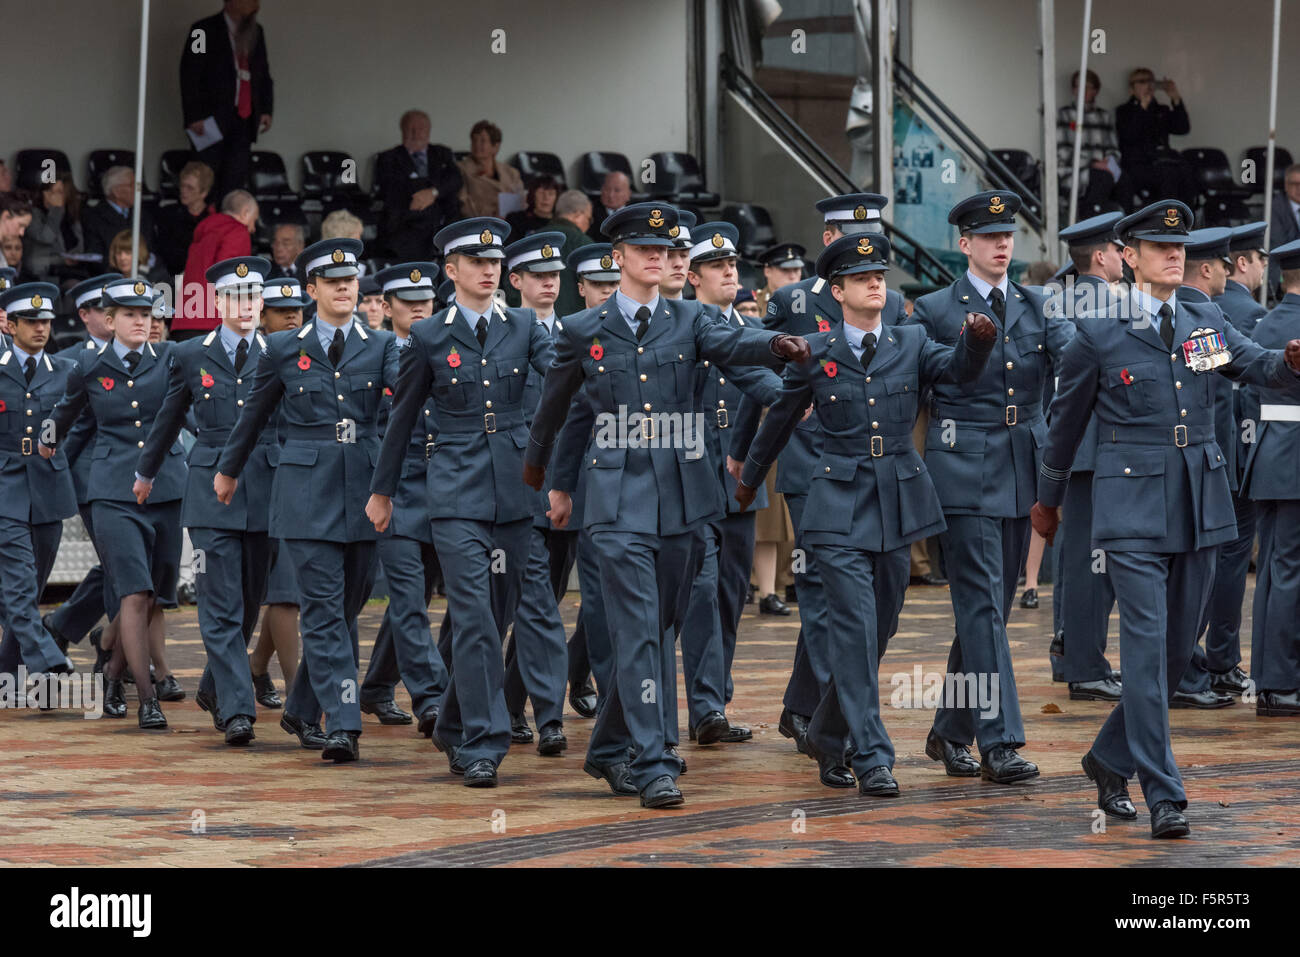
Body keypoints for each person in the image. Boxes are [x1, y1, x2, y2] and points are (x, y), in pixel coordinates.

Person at [521, 202, 812, 808]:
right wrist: (549, 479)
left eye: (663, 249)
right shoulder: (584, 329)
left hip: (684, 500)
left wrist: (781, 346)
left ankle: (605, 750)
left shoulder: (690, 319)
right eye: (643, 249)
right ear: (619, 258)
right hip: (617, 501)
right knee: (636, 629)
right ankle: (653, 761)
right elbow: (562, 414)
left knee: (656, 628)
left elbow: (737, 344)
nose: (656, 257)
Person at [1033, 199, 1300, 838]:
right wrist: (1048, 499)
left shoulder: (1200, 318)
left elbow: (1252, 367)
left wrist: (1290, 362)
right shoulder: (1099, 330)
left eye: (1179, 248)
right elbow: (1064, 424)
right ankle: (1164, 794)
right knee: (1149, 651)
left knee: (1178, 654)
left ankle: (1107, 758)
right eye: (1159, 247)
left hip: (1200, 502)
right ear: (1128, 258)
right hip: (1131, 508)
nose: (1175, 256)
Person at [736, 234, 995, 795]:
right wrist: (749, 478)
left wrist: (978, 343)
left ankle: (828, 737)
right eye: (861, 278)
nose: (876, 282)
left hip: (898, 500)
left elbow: (957, 374)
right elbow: (780, 417)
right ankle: (872, 753)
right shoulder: (815, 351)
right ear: (837, 291)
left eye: (880, 275)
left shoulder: (912, 340)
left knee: (880, 627)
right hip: (836, 502)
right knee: (851, 628)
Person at [366, 217, 553, 788]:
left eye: (495, 262)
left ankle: (451, 722)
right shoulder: (428, 337)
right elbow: (401, 420)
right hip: (454, 492)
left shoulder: (525, 325)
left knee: (495, 616)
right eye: (476, 262)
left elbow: (560, 391)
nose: (489, 270)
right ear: (451, 271)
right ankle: (483, 741)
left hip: (516, 491)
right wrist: (383, 490)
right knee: (471, 617)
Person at [729, 192, 903, 782]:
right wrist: (749, 447)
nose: (861, 250)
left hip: (878, 477)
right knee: (829, 601)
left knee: (854, 610)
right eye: (848, 237)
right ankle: (852, 734)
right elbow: (759, 368)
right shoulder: (790, 300)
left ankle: (809, 709)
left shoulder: (895, 302)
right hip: (813, 468)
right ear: (828, 239)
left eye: (872, 239)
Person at [907, 190, 1074, 785]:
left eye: (1008, 237)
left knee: (991, 610)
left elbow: (1074, 362)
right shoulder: (931, 310)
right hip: (962, 465)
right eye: (989, 237)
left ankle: (949, 730)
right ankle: (998, 740)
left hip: (1020, 462)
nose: (1002, 245)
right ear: (965, 245)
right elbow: (918, 390)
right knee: (980, 604)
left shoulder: (1036, 304)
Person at [215, 237, 397, 762]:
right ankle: (343, 722)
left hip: (363, 487)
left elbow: (402, 409)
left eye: (351, 280)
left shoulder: (382, 346)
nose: (344, 288)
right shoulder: (282, 348)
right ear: (311, 289)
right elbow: (254, 416)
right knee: (322, 612)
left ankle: (298, 705)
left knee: (347, 606)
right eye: (332, 282)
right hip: (304, 491)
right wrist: (227, 471)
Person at [134, 256, 276, 744]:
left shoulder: (281, 350)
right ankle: (239, 711)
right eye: (234, 298)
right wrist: (145, 471)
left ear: (262, 302)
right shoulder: (191, 354)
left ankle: (217, 687)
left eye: (252, 297)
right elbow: (170, 416)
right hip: (210, 490)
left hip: (265, 486)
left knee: (250, 600)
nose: (244, 306)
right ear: (218, 302)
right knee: (219, 602)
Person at [43, 277, 187, 728]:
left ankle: (110, 666)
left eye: (147, 314)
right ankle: (147, 699)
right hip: (111, 491)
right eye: (130, 314)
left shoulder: (170, 359)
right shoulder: (88, 364)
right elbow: (68, 420)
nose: (141, 321)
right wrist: (44, 452)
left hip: (166, 488)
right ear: (110, 320)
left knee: (155, 596)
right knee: (133, 590)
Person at [679, 222, 784, 745]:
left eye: (733, 265)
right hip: (695, 476)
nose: (729, 273)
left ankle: (714, 699)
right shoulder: (683, 326)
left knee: (729, 594)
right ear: (692, 276)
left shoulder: (747, 327)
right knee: (698, 594)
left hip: (741, 482)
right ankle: (704, 707)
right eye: (717, 267)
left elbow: (763, 389)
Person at [354, 262, 449, 736]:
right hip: (392, 486)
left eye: (425, 302)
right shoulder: (372, 353)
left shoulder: (448, 344)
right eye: (406, 303)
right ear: (385, 307)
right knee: (409, 597)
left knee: (418, 597)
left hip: (442, 485)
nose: (417, 309)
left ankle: (373, 686)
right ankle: (432, 697)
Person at [497, 232, 572, 752]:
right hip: (516, 486)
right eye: (538, 275)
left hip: (566, 487)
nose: (549, 282)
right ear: (516, 281)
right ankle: (547, 715)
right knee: (524, 605)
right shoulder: (500, 336)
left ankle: (507, 701)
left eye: (555, 275)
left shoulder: (578, 333)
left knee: (544, 599)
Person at [1044, 213, 1124, 702]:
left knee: (1079, 558)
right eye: (1118, 250)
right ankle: (1085, 664)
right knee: (1092, 561)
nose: (1124, 259)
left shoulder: (1061, 299)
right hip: (1099, 445)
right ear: (1100, 256)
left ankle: (1070, 651)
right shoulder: (1108, 305)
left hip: (1077, 445)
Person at [41, 275, 122, 661]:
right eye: (101, 309)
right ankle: (118, 658)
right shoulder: (69, 360)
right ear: (84, 315)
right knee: (119, 561)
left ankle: (66, 624)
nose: (111, 317)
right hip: (90, 475)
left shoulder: (142, 352)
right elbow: (59, 422)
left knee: (126, 562)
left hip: (137, 473)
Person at [0, 282, 78, 680]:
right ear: (9, 326)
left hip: (48, 487)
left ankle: (8, 672)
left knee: (29, 586)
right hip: (5, 486)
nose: (41, 328)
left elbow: (81, 428)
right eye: (30, 321)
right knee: (18, 579)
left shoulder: (66, 372)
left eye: (45, 320)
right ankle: (46, 658)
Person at [1243, 238, 1300, 717]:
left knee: (1277, 570)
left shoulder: (1266, 321)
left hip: (1270, 455)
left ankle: (1272, 677)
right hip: (1294, 458)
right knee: (1286, 572)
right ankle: (1280, 682)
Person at [247, 277, 308, 708]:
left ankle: (256, 666)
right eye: (280, 310)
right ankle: (296, 690)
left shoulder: (315, 350)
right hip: (253, 481)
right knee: (280, 590)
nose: (292, 316)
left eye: (298, 309)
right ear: (261, 316)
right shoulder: (248, 357)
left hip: (305, 482)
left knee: (287, 587)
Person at [180, 0, 274, 199]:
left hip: (244, 118)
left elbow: (263, 74)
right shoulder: (202, 30)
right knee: (206, 176)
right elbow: (190, 74)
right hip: (210, 119)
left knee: (235, 179)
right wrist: (194, 115)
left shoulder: (257, 31)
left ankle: (226, 224)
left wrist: (265, 109)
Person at [374, 109, 463, 262]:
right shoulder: (388, 157)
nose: (415, 134)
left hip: (441, 217)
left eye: (421, 129)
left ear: (428, 131)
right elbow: (390, 187)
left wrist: (432, 193)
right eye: (411, 129)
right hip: (406, 219)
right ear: (402, 131)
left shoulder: (442, 153)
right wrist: (426, 191)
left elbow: (455, 179)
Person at [176, 190, 259, 339]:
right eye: (254, 220)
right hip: (212, 321)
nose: (253, 229)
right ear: (245, 213)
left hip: (185, 320)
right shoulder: (237, 231)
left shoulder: (205, 229)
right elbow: (229, 275)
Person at [1115, 68, 1194, 209]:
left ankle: (1188, 221)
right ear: (1132, 89)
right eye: (1142, 82)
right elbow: (1129, 135)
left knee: (1185, 172)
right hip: (1138, 164)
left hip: (1163, 160)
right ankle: (1169, 224)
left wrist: (1175, 98)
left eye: (1151, 82)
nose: (1148, 86)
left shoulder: (1161, 110)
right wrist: (1142, 107)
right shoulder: (1123, 111)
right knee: (1167, 176)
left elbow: (1182, 128)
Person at [1056, 69, 1127, 216]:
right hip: (1074, 169)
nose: (1082, 90)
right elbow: (1062, 152)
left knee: (1125, 180)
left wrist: (1108, 162)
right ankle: (1090, 223)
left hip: (1104, 166)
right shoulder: (1063, 114)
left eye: (1087, 87)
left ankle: (1125, 229)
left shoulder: (1104, 116)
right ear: (1073, 90)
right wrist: (1093, 163)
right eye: (1078, 86)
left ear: (1095, 91)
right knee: (1103, 178)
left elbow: (1113, 148)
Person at [155, 161, 216, 277]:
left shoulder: (213, 219)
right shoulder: (168, 214)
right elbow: (165, 250)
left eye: (190, 188)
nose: (184, 191)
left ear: (203, 193)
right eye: (182, 186)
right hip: (174, 275)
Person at [82, 168, 155, 261]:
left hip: (147, 273)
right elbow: (96, 258)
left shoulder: (144, 215)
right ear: (117, 192)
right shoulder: (93, 217)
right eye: (132, 185)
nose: (138, 189)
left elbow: (152, 251)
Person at [456, 120, 525, 219]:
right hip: (478, 223)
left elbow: (520, 201)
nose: (477, 144)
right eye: (474, 140)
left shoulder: (511, 173)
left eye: (482, 140)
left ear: (495, 147)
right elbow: (463, 203)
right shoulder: (460, 169)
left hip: (510, 222)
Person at [24, 173, 85, 281]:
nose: (53, 196)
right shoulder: (33, 215)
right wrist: (56, 210)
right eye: (49, 191)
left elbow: (78, 244)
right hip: (44, 274)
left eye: (59, 192)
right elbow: (46, 238)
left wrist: (75, 256)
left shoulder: (71, 215)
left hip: (71, 272)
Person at [548, 190, 594, 317]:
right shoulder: (583, 242)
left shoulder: (533, 238)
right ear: (578, 215)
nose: (589, 225)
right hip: (574, 325)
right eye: (589, 219)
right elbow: (597, 287)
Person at [1267, 164, 1300, 295]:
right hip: (1284, 266)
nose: (1299, 188)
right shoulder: (1274, 207)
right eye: (1294, 184)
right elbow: (1279, 245)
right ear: (1286, 186)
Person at [754, 243, 805, 316]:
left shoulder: (809, 301)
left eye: (796, 269)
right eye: (785, 270)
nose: (792, 276)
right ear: (767, 271)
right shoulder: (753, 303)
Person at [507, 175, 561, 245]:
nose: (546, 198)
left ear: (557, 198)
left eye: (551, 194)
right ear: (532, 195)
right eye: (541, 193)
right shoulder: (515, 220)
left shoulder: (560, 223)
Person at [587, 171, 631, 241]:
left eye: (617, 190)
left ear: (628, 194)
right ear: (601, 190)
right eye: (607, 189)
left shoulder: (636, 212)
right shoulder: (590, 211)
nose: (611, 195)